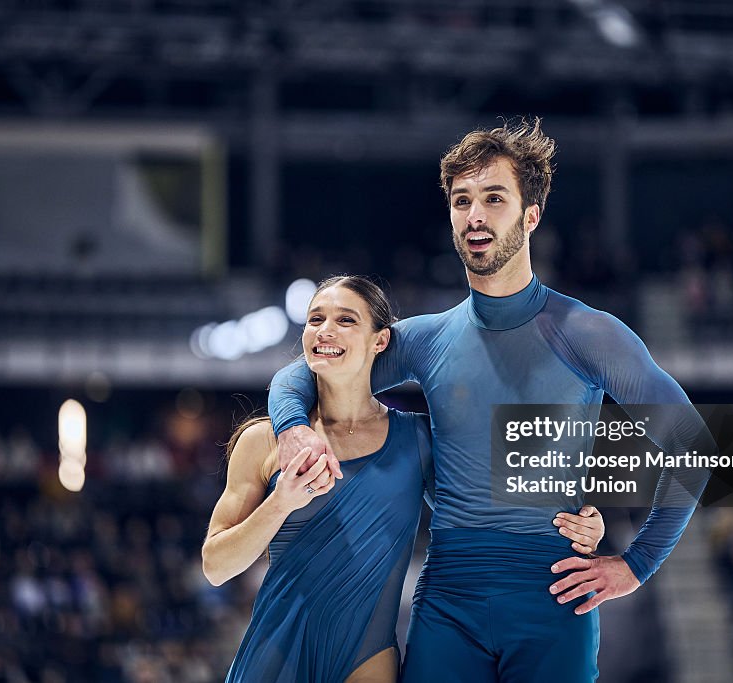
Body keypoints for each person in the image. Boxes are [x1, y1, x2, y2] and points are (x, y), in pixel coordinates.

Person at [268, 119, 713, 682]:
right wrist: (291, 426)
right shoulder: (425, 339)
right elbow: (301, 372)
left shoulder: (588, 333)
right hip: (449, 597)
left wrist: (638, 562)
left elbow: (693, 443)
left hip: (555, 596)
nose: (474, 215)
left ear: (531, 215)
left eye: (494, 198)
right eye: (462, 201)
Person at [202, 275, 606, 683]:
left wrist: (577, 521)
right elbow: (216, 567)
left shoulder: (419, 439)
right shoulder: (264, 441)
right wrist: (280, 503)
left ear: (380, 341)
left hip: (367, 660)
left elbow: (489, 511)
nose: (325, 329)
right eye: (315, 319)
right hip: (273, 655)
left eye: (345, 320)